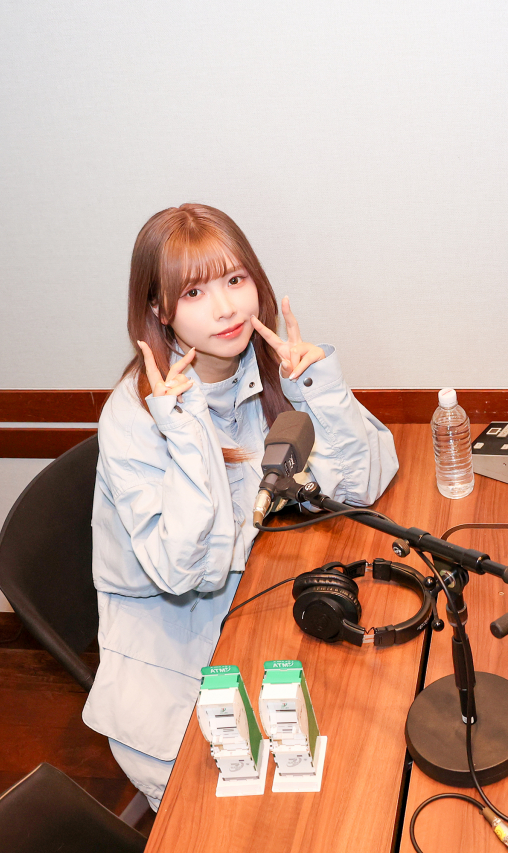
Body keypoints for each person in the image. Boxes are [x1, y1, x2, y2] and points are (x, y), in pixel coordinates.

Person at [83, 203, 398, 808]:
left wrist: (317, 387)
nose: (226, 308)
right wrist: (187, 434)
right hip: (177, 665)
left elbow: (360, 488)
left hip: (260, 603)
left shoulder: (264, 365)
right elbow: (186, 573)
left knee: (368, 748)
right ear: (159, 309)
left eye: (235, 279)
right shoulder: (135, 415)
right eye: (194, 292)